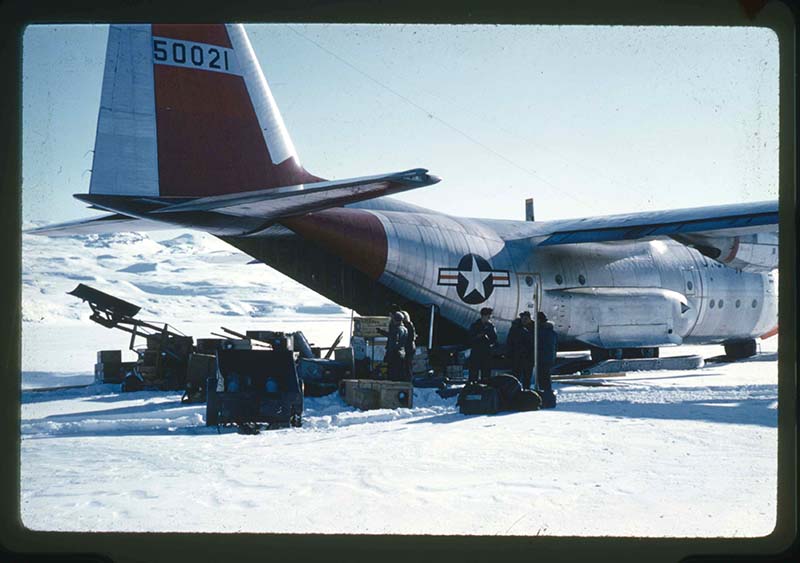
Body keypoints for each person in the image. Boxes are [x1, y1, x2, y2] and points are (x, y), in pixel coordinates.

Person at [468, 307, 497, 384]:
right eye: (488, 316)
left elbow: (494, 339)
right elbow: (470, 338)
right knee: (474, 372)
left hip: (486, 352)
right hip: (476, 351)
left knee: (486, 373)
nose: (489, 318)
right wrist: (478, 336)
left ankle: (485, 386)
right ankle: (472, 387)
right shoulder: (475, 325)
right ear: (483, 316)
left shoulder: (491, 326)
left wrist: (488, 338)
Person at [507, 311, 535, 389]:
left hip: (528, 357)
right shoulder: (515, 328)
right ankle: (516, 392)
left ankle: (526, 391)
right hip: (517, 356)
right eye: (523, 318)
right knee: (516, 377)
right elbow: (510, 341)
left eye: (526, 318)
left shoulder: (534, 328)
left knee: (527, 377)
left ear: (529, 319)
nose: (524, 320)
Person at [536, 311, 558, 408]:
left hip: (543, 358)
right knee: (545, 380)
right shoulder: (551, 332)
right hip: (548, 358)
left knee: (544, 380)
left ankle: (547, 400)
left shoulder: (542, 332)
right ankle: (547, 399)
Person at [383, 311, 408, 381]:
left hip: (395, 353)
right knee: (399, 372)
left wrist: (389, 353)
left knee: (392, 372)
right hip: (402, 352)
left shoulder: (397, 329)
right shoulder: (405, 329)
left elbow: (394, 340)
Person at [400, 310, 416, 381]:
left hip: (409, 347)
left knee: (408, 364)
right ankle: (407, 377)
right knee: (407, 363)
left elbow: (411, 337)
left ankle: (408, 379)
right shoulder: (409, 324)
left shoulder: (408, 325)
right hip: (410, 346)